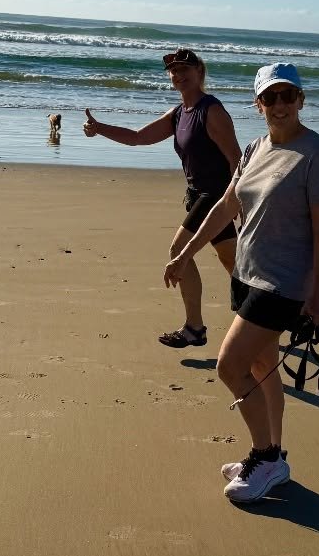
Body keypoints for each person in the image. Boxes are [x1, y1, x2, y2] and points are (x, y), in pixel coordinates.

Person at [163, 62, 319, 503]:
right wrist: (185, 254)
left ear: (301, 100)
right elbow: (224, 208)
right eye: (271, 97)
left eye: (288, 96)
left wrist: (315, 295)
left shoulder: (318, 154)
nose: (280, 105)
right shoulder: (255, 149)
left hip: (281, 285)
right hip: (245, 275)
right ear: (258, 103)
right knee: (261, 368)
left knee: (229, 366)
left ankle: (264, 456)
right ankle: (275, 457)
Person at [84, 49, 242, 348]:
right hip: (197, 194)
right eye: (172, 71)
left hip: (217, 195)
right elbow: (137, 137)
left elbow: (236, 159)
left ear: (199, 72)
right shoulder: (179, 113)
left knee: (179, 248)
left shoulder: (212, 111)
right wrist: (100, 128)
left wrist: (237, 203)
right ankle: (264, 316)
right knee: (232, 260)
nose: (177, 75)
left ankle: (194, 328)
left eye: (184, 69)